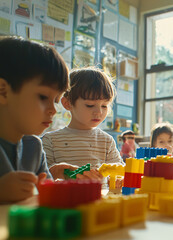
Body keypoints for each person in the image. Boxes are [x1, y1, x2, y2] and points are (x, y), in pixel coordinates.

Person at [0, 36, 69, 203]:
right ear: (3, 92)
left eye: (56, 100)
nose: (54, 109)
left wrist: (64, 181)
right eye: (43, 97)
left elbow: (46, 196)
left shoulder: (34, 147)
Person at [42, 67, 123, 183]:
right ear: (67, 103)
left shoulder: (106, 141)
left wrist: (118, 180)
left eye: (104, 106)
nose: (99, 112)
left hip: (99, 198)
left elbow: (118, 173)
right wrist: (56, 171)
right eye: (90, 105)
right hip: (64, 199)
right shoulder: (50, 140)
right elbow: (42, 178)